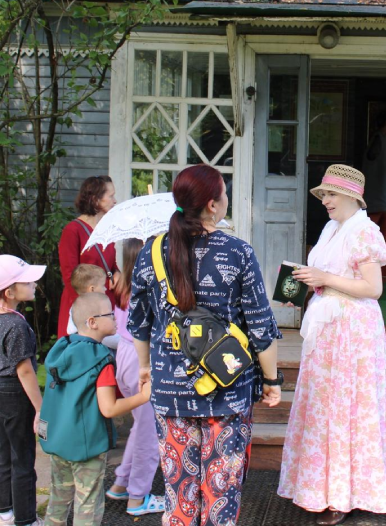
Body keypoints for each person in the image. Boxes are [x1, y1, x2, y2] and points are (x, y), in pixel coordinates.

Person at [127, 164, 283, 526]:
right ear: (212, 205)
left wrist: (146, 368)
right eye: (225, 193)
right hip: (226, 391)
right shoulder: (237, 253)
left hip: (170, 391)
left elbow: (138, 323)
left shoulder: (151, 254)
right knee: (221, 494)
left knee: (178, 493)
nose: (226, 199)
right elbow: (261, 327)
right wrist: (272, 381)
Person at [278, 164, 386, 526]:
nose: (325, 201)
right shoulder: (330, 229)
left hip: (353, 332)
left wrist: (325, 278)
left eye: (331, 194)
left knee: (347, 407)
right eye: (323, 195)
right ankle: (319, 488)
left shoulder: (365, 232)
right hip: (327, 325)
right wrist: (305, 287)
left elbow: (373, 289)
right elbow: (328, 278)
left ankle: (345, 494)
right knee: (323, 404)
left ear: (352, 196)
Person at [40, 292, 153, 526]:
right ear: (93, 322)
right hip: (86, 446)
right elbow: (109, 408)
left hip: (58, 440)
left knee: (58, 500)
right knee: (88, 505)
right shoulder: (100, 359)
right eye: (110, 315)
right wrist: (143, 397)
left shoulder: (61, 349)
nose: (115, 319)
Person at [0, 255, 47, 526]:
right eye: (27, 281)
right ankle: (27, 520)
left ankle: (5, 512)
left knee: (4, 452)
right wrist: (41, 408)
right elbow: (25, 371)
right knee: (23, 458)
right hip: (15, 391)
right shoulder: (17, 325)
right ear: (9, 292)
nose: (34, 284)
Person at [104, 238, 165, 516]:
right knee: (150, 433)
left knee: (141, 426)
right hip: (144, 359)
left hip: (126, 357)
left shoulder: (124, 285)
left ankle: (121, 483)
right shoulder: (150, 287)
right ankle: (138, 498)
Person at [58, 175, 118, 337]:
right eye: (110, 196)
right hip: (84, 308)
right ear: (95, 199)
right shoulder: (72, 231)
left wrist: (117, 273)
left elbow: (111, 264)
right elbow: (69, 276)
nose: (115, 200)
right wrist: (84, 312)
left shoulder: (106, 229)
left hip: (105, 304)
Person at [362, 111, 386, 279]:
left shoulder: (383, 142)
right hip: (379, 199)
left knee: (385, 243)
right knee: (374, 241)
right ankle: (378, 276)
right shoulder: (379, 141)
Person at [65, 264, 119, 350]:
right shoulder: (96, 308)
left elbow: (70, 330)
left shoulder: (75, 307)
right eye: (103, 285)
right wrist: (124, 343)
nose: (105, 288)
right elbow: (106, 338)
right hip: (100, 351)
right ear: (92, 289)